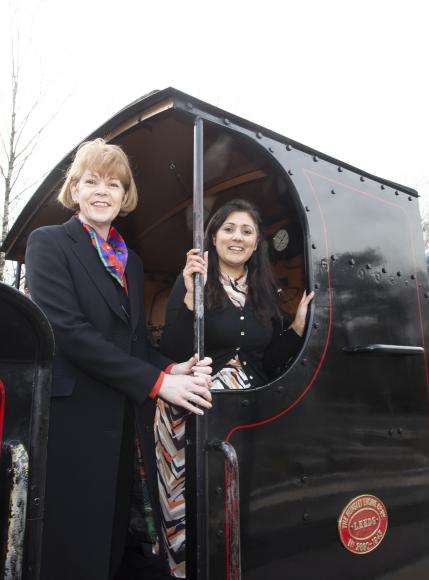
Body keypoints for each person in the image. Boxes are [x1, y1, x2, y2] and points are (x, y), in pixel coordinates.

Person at [25, 138, 213, 580]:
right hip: (71, 418)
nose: (102, 191)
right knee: (71, 540)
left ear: (125, 195)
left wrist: (171, 368)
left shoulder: (131, 261)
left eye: (113, 183)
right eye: (91, 181)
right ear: (75, 189)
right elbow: (69, 333)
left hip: (121, 418)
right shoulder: (48, 243)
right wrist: (157, 383)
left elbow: (130, 341)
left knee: (109, 535)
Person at [157, 199, 314, 577]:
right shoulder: (193, 276)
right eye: (228, 229)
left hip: (250, 405)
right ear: (213, 236)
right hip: (194, 403)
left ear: (257, 241)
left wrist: (296, 328)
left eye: (246, 231)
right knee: (191, 504)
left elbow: (269, 358)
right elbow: (173, 350)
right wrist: (192, 297)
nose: (237, 237)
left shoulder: (264, 288)